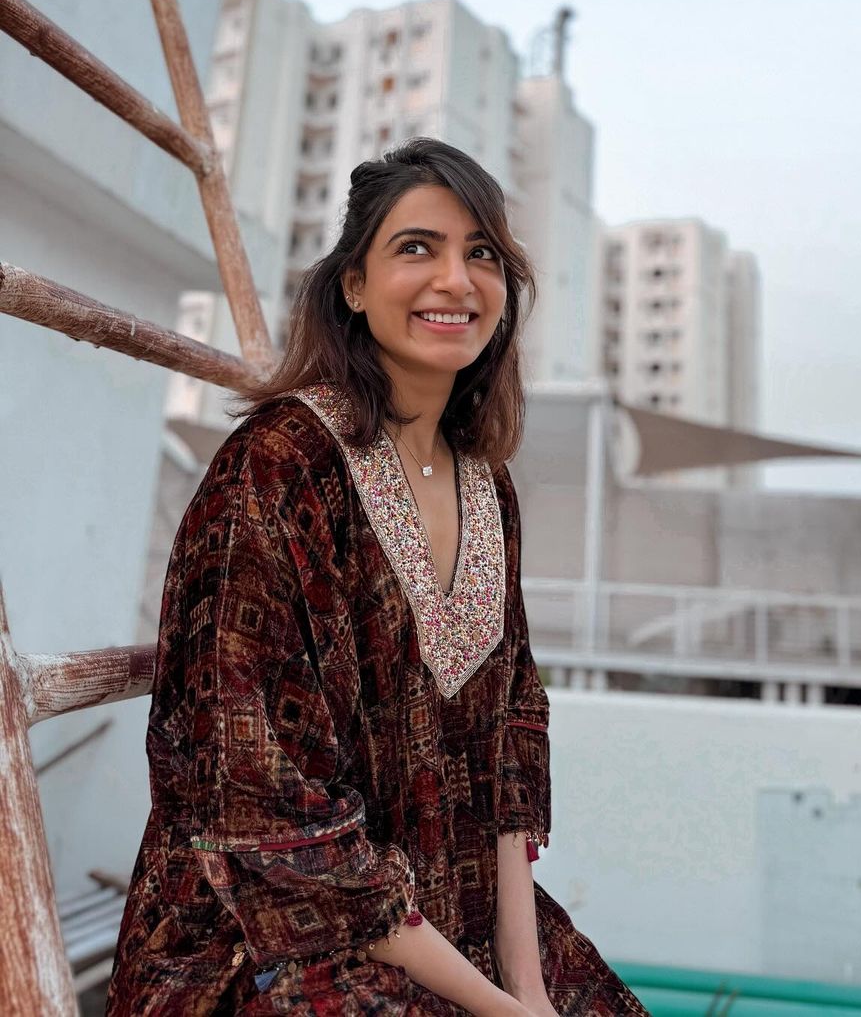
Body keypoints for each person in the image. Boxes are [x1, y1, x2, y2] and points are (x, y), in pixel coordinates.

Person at [106, 139, 647, 1016]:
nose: (456, 280)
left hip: (456, 921)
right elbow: (262, 804)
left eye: (482, 253)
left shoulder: (487, 483)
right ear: (354, 285)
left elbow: (511, 735)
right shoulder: (277, 468)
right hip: (274, 940)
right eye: (417, 247)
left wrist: (528, 986)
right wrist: (497, 1008)